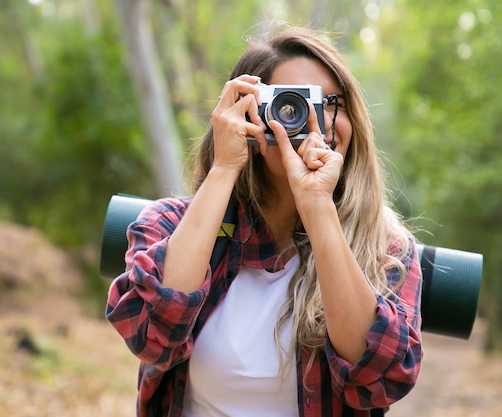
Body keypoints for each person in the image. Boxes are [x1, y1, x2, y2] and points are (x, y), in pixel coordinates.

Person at [106, 24, 423, 417]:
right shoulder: (170, 224)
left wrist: (318, 207)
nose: (315, 121)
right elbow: (151, 335)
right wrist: (224, 167)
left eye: (330, 103)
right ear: (248, 118)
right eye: (293, 104)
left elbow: (378, 380)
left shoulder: (386, 249)